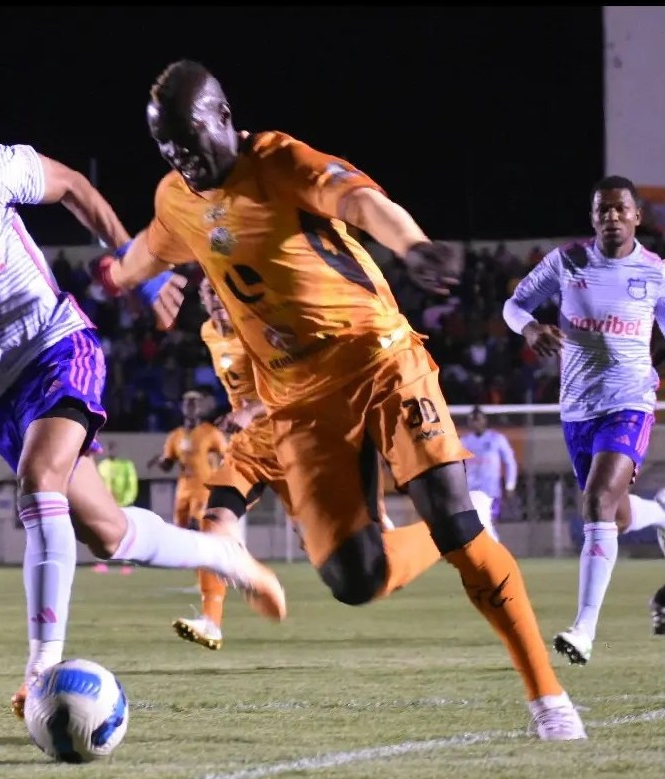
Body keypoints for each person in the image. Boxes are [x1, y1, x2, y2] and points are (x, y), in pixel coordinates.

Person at [94, 59, 585, 739]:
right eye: (164, 144)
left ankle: (548, 699)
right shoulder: (175, 198)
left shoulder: (277, 159)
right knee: (354, 578)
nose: (178, 153)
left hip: (377, 358)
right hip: (296, 402)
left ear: (223, 117)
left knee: (455, 527)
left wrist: (409, 244)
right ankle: (454, 532)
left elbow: (356, 201)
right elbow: (145, 252)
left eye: (186, 134)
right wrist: (118, 278)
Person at [0, 88, 287, 721]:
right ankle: (224, 555)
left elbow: (70, 186)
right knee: (107, 534)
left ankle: (41, 669)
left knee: (39, 483)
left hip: (55, 347)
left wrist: (135, 267)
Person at [174, 275, 429, 651]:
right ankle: (211, 620)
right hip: (251, 448)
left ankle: (443, 528)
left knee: (349, 562)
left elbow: (299, 382)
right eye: (207, 293)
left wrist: (252, 411)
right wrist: (242, 418)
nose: (214, 300)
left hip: (295, 442)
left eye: (219, 291)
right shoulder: (209, 332)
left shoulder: (261, 326)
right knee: (213, 522)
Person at [503, 175, 665, 665]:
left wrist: (650, 373)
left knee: (595, 501)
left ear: (637, 216)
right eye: (602, 210)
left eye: (620, 209)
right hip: (577, 407)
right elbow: (513, 305)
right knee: (612, 514)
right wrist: (531, 328)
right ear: (592, 217)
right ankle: (659, 514)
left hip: (630, 403)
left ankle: (584, 629)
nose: (611, 218)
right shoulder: (567, 261)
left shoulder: (656, 273)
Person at [148, 390, 227, 530]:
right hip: (183, 490)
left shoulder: (211, 433)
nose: (191, 407)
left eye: (195, 403)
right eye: (187, 403)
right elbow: (168, 465)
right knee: (181, 528)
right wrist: (160, 461)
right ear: (182, 407)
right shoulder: (175, 436)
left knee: (195, 524)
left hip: (203, 489)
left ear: (200, 408)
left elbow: (228, 455)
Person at [460, 406, 518, 541]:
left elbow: (510, 462)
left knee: (486, 523)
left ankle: (494, 553)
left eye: (478, 419)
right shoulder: (465, 441)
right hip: (471, 491)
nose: (475, 423)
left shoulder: (497, 439)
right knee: (478, 525)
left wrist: (510, 485)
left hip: (491, 491)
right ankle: (491, 553)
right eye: (472, 420)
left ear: (484, 420)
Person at [94, 441, 138, 574]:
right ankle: (102, 563)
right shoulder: (102, 466)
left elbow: (132, 484)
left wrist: (128, 500)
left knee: (126, 534)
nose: (111, 452)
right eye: (109, 449)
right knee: (102, 533)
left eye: (113, 449)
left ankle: (127, 563)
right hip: (106, 505)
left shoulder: (126, 465)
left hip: (124, 505)